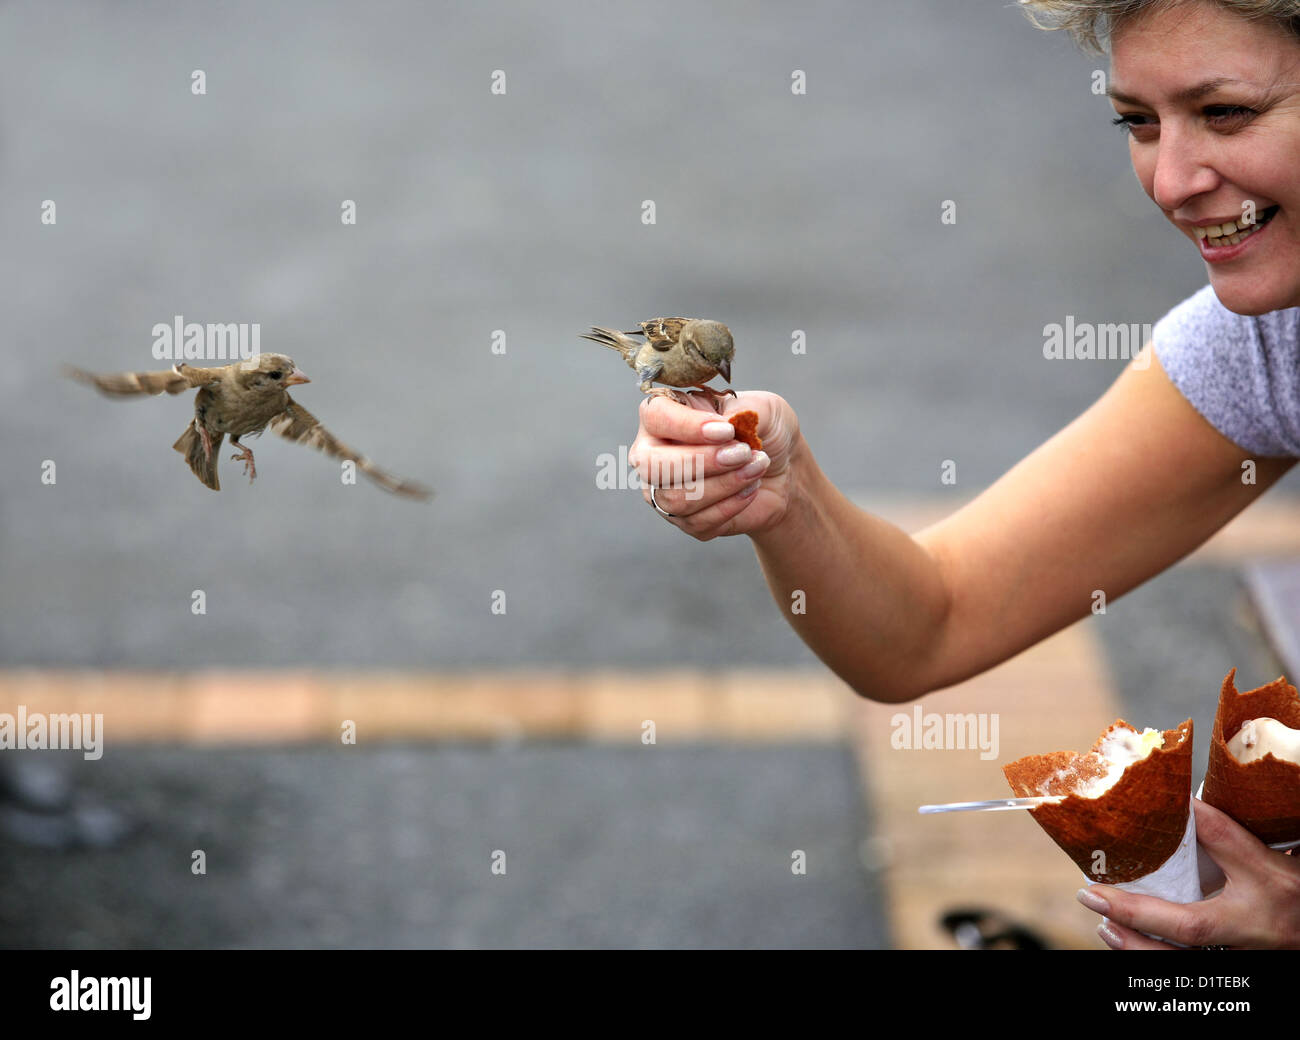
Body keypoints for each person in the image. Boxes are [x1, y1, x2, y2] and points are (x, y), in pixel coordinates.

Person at [629, 0, 1300, 950]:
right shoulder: (1267, 343)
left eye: (1226, 112)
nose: (1173, 180)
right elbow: (927, 626)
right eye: (1139, 123)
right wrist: (784, 493)